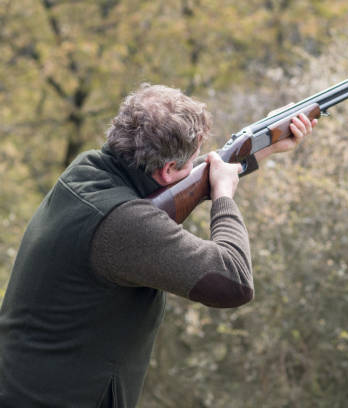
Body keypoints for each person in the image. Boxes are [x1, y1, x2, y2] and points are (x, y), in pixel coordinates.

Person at [0, 83, 316, 407]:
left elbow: (177, 193)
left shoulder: (88, 171)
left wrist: (264, 144)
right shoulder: (124, 224)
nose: (198, 168)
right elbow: (234, 281)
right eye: (192, 161)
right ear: (166, 170)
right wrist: (223, 195)